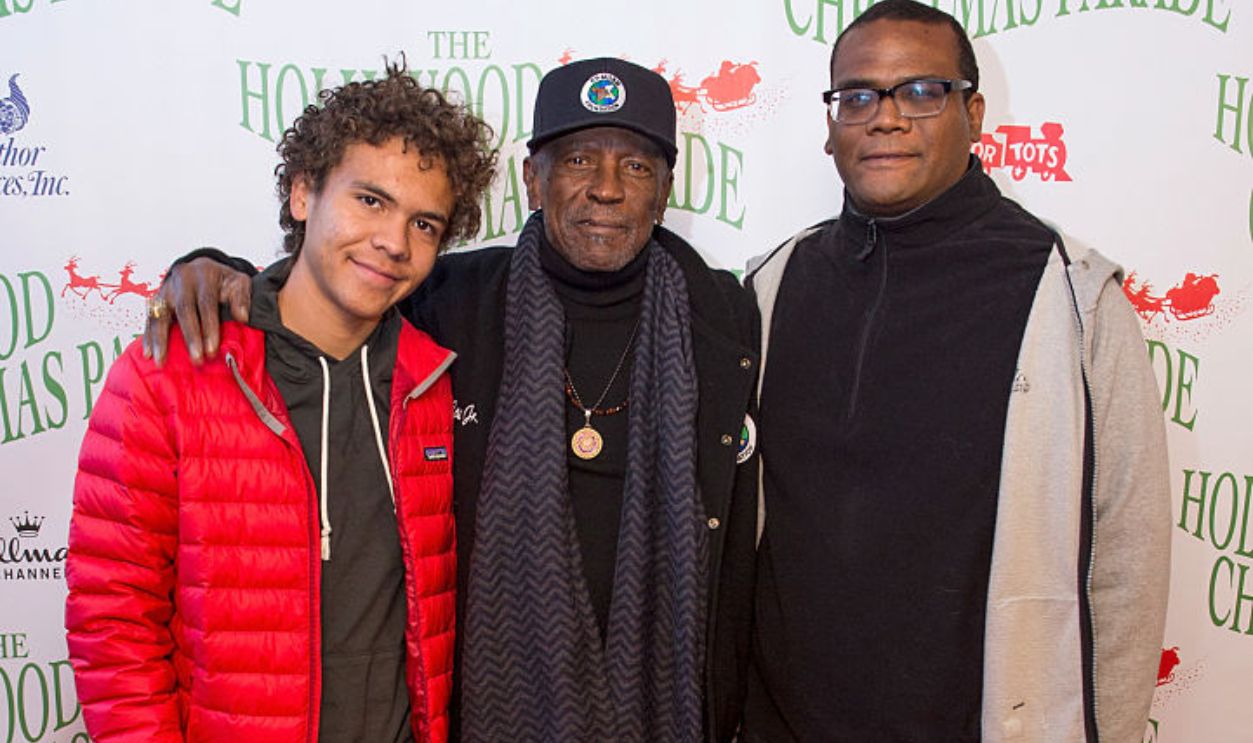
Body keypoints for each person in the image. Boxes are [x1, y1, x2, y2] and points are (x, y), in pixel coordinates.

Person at [143, 58, 759, 743]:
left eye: (637, 167)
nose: (607, 188)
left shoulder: (723, 316)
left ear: (666, 190)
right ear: (533, 180)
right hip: (484, 709)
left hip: (665, 705)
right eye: (579, 159)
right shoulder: (447, 300)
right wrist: (214, 270)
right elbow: (323, 297)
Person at [743, 2, 1171, 742]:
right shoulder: (771, 286)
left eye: (920, 92)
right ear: (830, 125)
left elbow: (1127, 565)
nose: (885, 119)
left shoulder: (1068, 298)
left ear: (973, 115)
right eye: (857, 96)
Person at [65, 66, 497, 743]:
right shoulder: (172, 373)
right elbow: (113, 619)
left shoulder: (432, 381)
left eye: (423, 223)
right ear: (302, 193)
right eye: (370, 200)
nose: (393, 242)